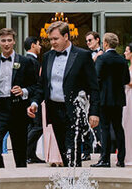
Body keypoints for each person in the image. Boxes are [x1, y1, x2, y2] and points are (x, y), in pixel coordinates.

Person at [28, 21, 99, 167]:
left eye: (55, 39)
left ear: (66, 36)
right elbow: (42, 86)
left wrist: (94, 112)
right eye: (50, 39)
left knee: (72, 150)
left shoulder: (82, 55)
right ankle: (69, 178)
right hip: (54, 110)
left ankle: (74, 178)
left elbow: (94, 87)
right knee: (63, 151)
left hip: (73, 110)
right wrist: (34, 103)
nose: (52, 42)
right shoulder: (47, 56)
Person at [0, 27, 38, 168]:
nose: (6, 43)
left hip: (18, 109)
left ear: (14, 42)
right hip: (0, 109)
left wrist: (23, 91)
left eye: (9, 40)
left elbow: (35, 86)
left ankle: (20, 179)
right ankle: (2, 174)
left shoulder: (25, 61)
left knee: (20, 154)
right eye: (3, 41)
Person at [92, 32, 128, 167]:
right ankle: (121, 159)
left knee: (105, 128)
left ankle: (105, 159)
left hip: (104, 98)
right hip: (118, 99)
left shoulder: (102, 59)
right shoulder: (122, 60)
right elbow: (126, 79)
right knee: (118, 127)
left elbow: (96, 78)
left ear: (106, 43)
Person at [22, 35, 45, 164]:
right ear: (33, 45)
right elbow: (36, 82)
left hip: (28, 99)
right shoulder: (32, 61)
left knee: (32, 126)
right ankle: (25, 152)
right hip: (33, 99)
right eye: (38, 44)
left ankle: (31, 154)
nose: (40, 47)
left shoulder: (26, 60)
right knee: (38, 126)